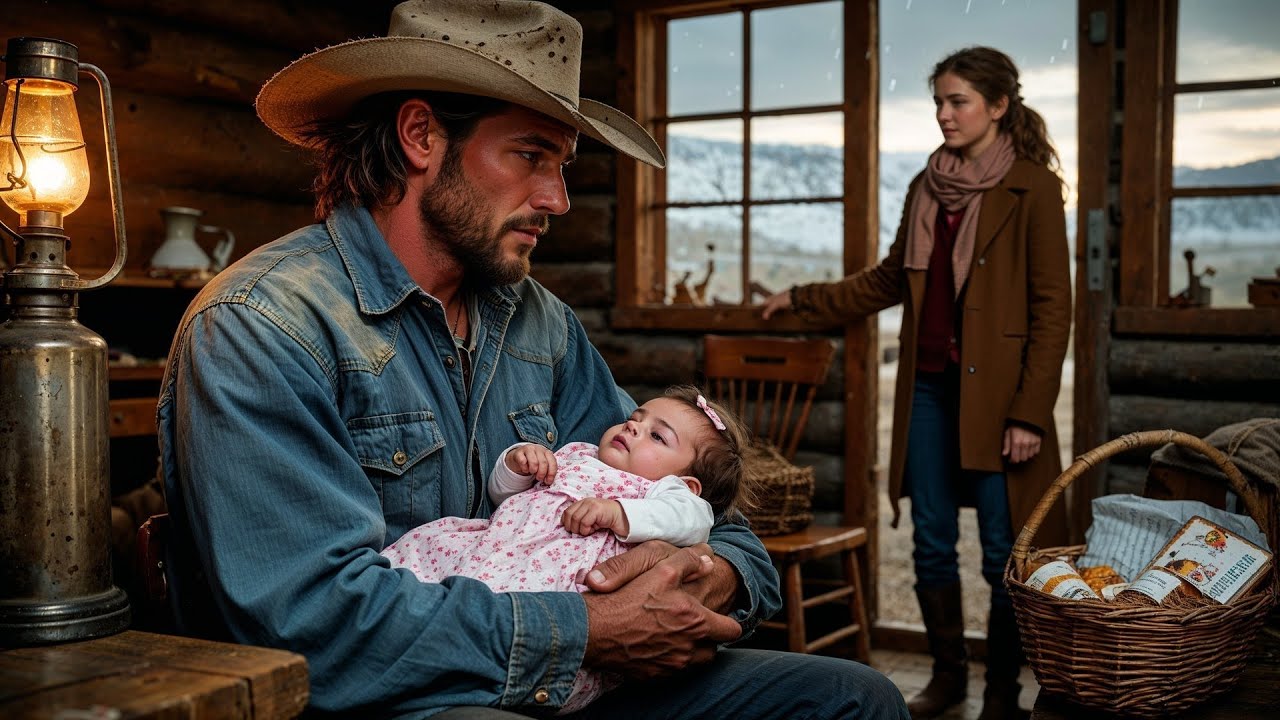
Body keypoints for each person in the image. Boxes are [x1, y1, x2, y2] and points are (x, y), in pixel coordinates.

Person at [158, 1, 910, 718]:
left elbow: (717, 522)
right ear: (422, 136)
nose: (558, 198)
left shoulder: (539, 323)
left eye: (563, 164)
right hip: (391, 699)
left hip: (570, 681)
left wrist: (707, 572)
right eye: (529, 155)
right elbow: (311, 623)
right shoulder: (262, 326)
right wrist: (592, 629)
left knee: (854, 699)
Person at [762, 46, 1071, 720]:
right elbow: (885, 281)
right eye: (938, 101)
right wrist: (802, 297)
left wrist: (1029, 413)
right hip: (929, 390)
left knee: (1003, 551)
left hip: (1000, 402)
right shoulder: (926, 187)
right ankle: (949, 679)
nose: (944, 114)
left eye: (958, 101)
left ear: (998, 106)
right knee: (929, 538)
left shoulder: (1034, 188)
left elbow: (1054, 310)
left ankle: (999, 693)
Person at [382, 385, 754, 713]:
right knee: (429, 559)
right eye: (635, 418)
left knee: (513, 620)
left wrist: (620, 512)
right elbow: (506, 497)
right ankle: (395, 628)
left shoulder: (664, 494)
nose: (633, 427)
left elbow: (694, 521)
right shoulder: (579, 452)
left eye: (657, 437)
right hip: (499, 544)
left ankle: (478, 679)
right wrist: (518, 465)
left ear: (686, 483)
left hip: (558, 578)